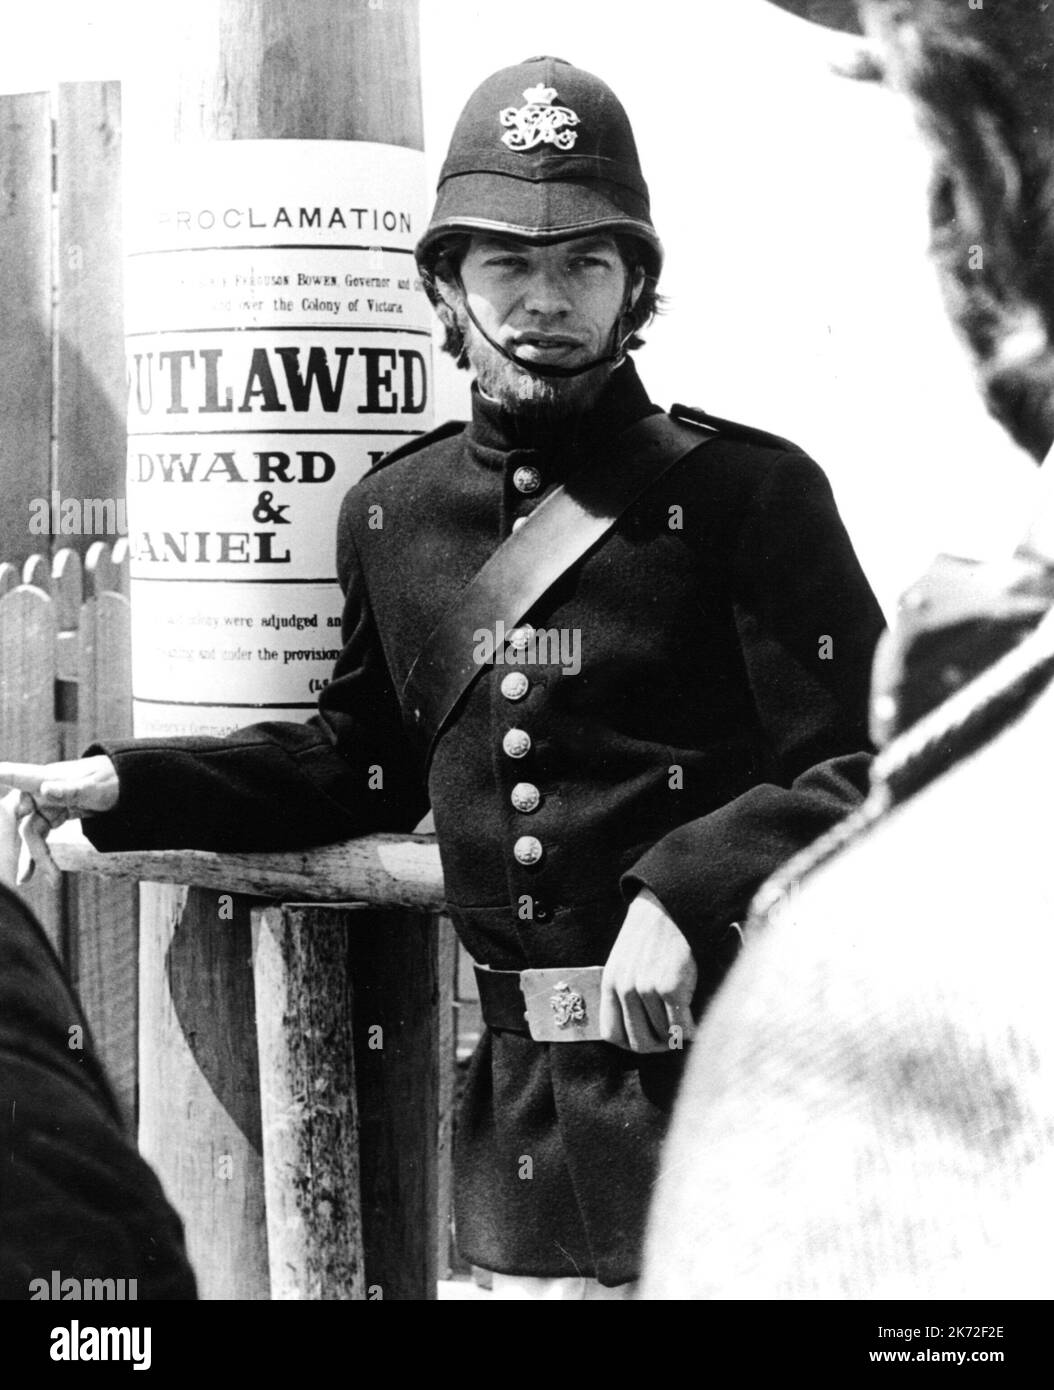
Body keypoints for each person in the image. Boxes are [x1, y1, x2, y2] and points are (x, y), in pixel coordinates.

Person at [0, 56, 884, 1298]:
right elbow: (353, 763)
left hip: (730, 1104)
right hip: (519, 1125)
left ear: (637, 290)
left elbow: (864, 761)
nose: (545, 298)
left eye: (584, 262)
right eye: (505, 263)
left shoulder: (748, 497)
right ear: (444, 289)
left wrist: (682, 893)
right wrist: (120, 784)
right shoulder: (393, 514)